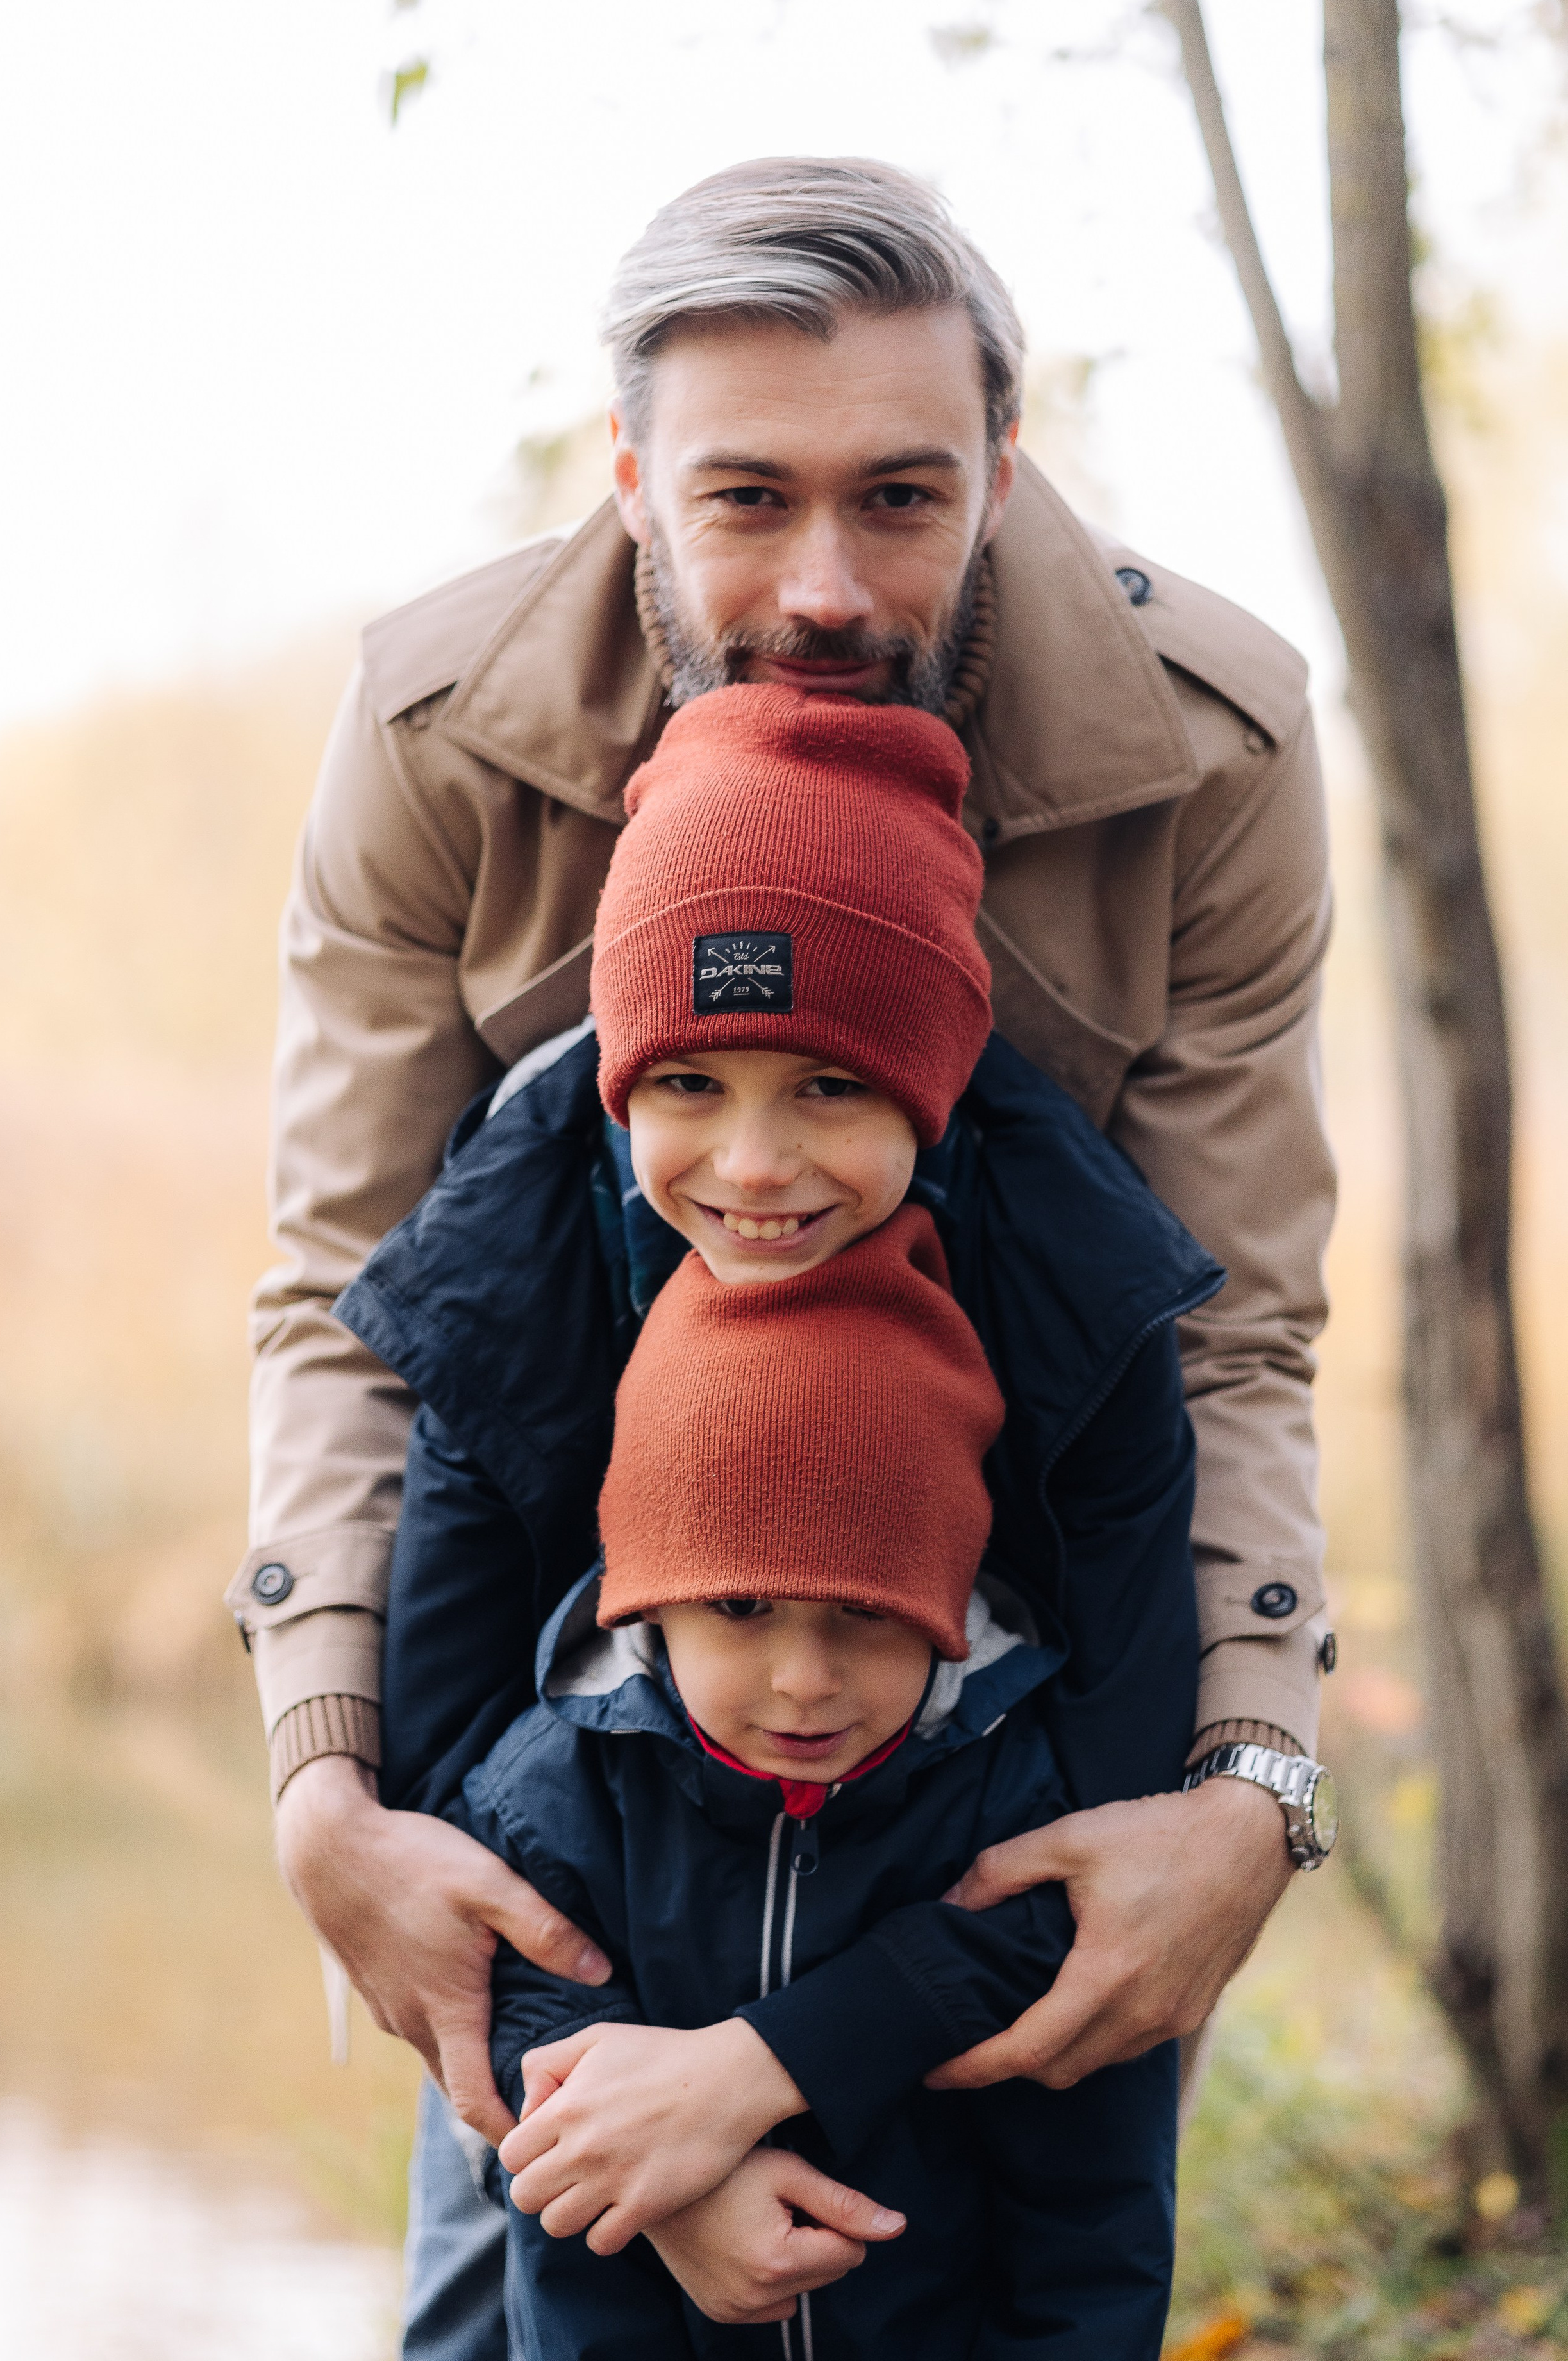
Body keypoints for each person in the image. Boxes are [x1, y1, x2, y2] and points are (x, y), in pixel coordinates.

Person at [232, 157, 1337, 2350]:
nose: (826, 583)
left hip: (1018, 1683)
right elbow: (348, 1300)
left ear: (1006, 465)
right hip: (578, 1699)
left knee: (1023, 2259)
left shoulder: (1211, 740)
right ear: (629, 476)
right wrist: (326, 1781)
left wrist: (1255, 1790)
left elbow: (1240, 1334)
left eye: (904, 498)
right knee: (519, 2285)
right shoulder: (438, 725)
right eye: (745, 498)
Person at [336, 683, 1221, 2339]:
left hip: (940, 2030)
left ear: (931, 1078)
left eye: (827, 1086)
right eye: (690, 1087)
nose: (751, 1166)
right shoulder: (516, 1246)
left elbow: (1088, 1843)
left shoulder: (1078, 1285)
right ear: (618, 1078)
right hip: (595, 1986)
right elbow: (459, 1806)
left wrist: (760, 2075)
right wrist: (649, 2167)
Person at [462, 1205, 1181, 2358]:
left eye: (866, 1616)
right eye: (741, 1610)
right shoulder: (557, 1792)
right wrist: (678, 2183)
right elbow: (540, 2055)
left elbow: (1092, 2209)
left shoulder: (1022, 1805)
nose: (805, 1683)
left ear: (949, 1612)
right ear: (649, 1603)